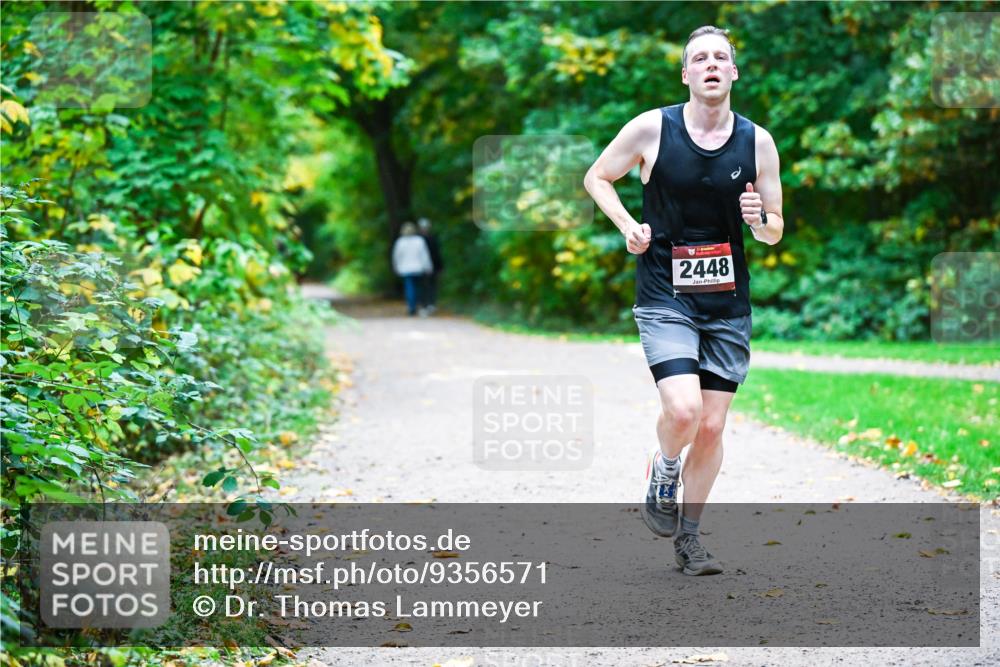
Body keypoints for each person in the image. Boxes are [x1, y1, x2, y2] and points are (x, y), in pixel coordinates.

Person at [583, 26, 784, 575]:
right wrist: (628, 224)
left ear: (734, 72)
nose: (712, 64)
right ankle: (664, 468)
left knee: (714, 427)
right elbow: (597, 177)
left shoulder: (757, 141)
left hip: (727, 302)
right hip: (664, 293)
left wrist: (759, 220)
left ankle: (689, 538)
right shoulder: (654, 127)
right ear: (687, 73)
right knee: (684, 411)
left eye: (722, 57)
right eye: (701, 58)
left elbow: (775, 229)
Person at [391, 221, 433, 316]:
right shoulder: (419, 240)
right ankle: (418, 305)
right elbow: (424, 255)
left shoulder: (400, 242)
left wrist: (396, 267)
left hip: (405, 269)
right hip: (418, 268)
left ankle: (411, 307)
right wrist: (428, 267)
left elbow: (396, 256)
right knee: (418, 287)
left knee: (409, 288)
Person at [417, 217, 443, 313]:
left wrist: (439, 267)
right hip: (420, 266)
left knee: (431, 285)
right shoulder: (418, 239)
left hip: (432, 266)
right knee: (423, 285)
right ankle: (425, 304)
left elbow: (437, 253)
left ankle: (430, 304)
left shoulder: (431, 238)